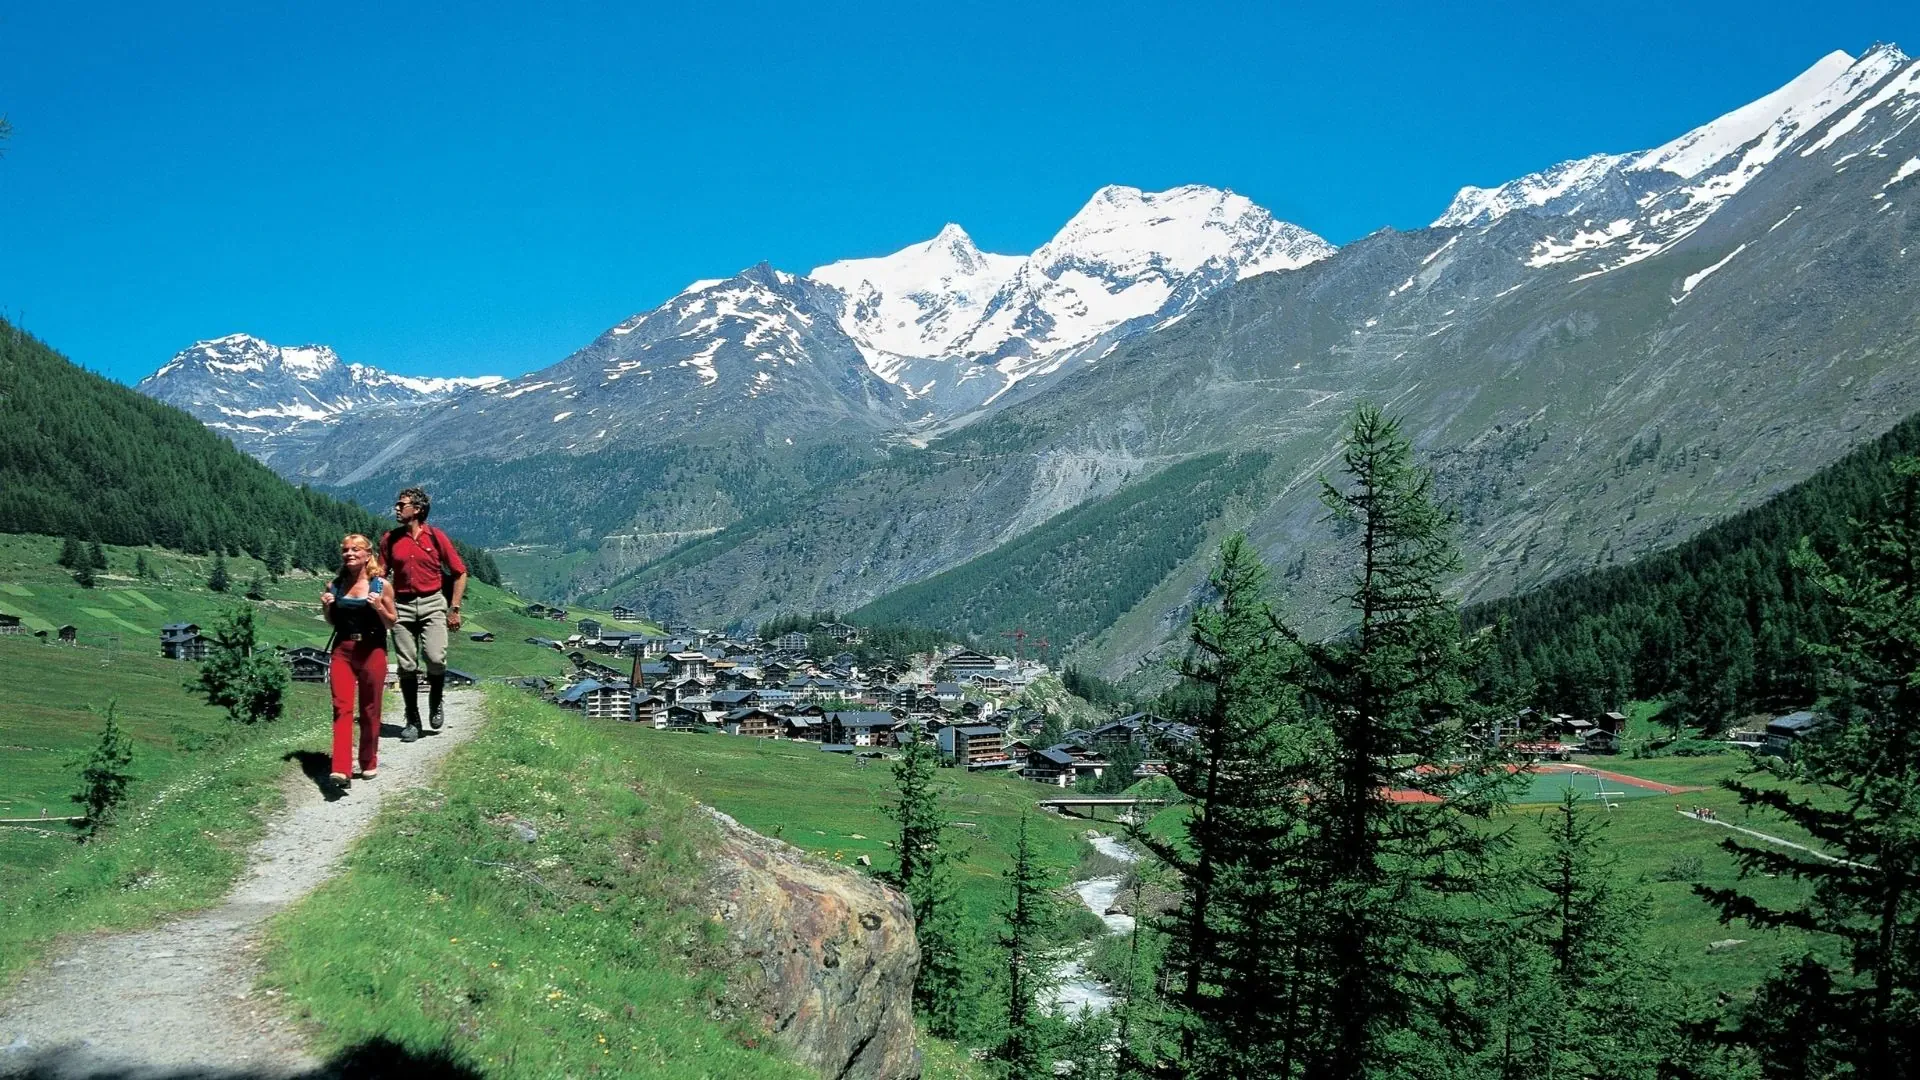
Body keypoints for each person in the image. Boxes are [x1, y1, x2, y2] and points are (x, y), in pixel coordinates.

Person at [380, 486, 468, 742]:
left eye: (401, 505)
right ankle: (412, 719)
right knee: (406, 665)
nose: (396, 508)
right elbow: (381, 575)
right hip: (402, 605)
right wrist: (377, 601)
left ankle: (436, 700)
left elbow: (459, 572)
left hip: (432, 602)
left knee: (435, 658)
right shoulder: (390, 539)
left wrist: (454, 608)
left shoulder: (436, 537)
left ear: (417, 510)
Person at [321, 534, 396, 789]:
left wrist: (379, 608)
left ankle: (368, 760)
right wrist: (326, 608)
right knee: (341, 707)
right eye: (345, 550)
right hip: (342, 649)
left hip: (372, 649)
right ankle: (340, 769)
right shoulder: (335, 585)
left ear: (368, 554)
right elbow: (333, 622)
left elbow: (391, 621)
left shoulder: (381, 586)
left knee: (370, 708)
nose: (349, 554)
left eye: (355, 549)